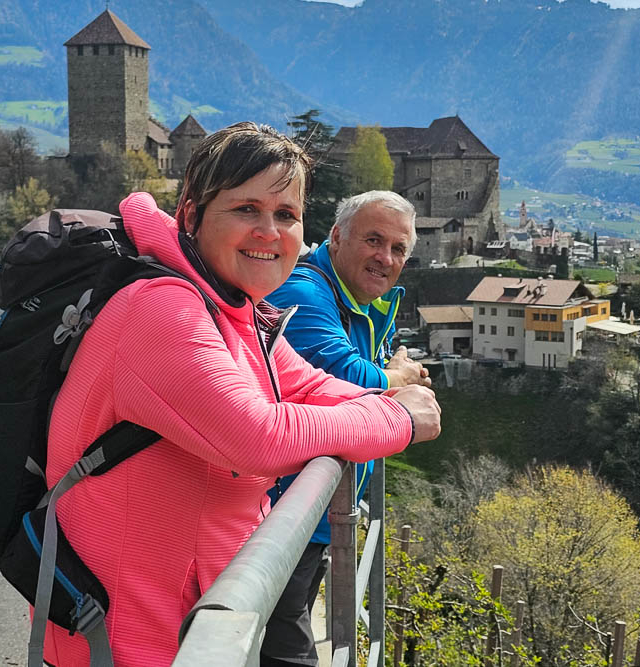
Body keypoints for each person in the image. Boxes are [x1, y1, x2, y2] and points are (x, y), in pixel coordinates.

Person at [41, 123, 442, 667]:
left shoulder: (235, 310)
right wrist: (399, 420)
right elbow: (257, 436)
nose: (269, 232)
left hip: (195, 626)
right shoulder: (162, 310)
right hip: (125, 642)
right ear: (191, 216)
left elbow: (307, 385)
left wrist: (382, 402)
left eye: (285, 215)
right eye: (245, 209)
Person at [261, 190, 428, 667]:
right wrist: (402, 379)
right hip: (277, 513)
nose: (385, 257)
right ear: (336, 236)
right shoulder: (304, 292)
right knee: (285, 648)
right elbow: (348, 378)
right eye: (373, 240)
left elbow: (363, 365)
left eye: (398, 249)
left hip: (309, 515)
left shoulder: (348, 295)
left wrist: (390, 369)